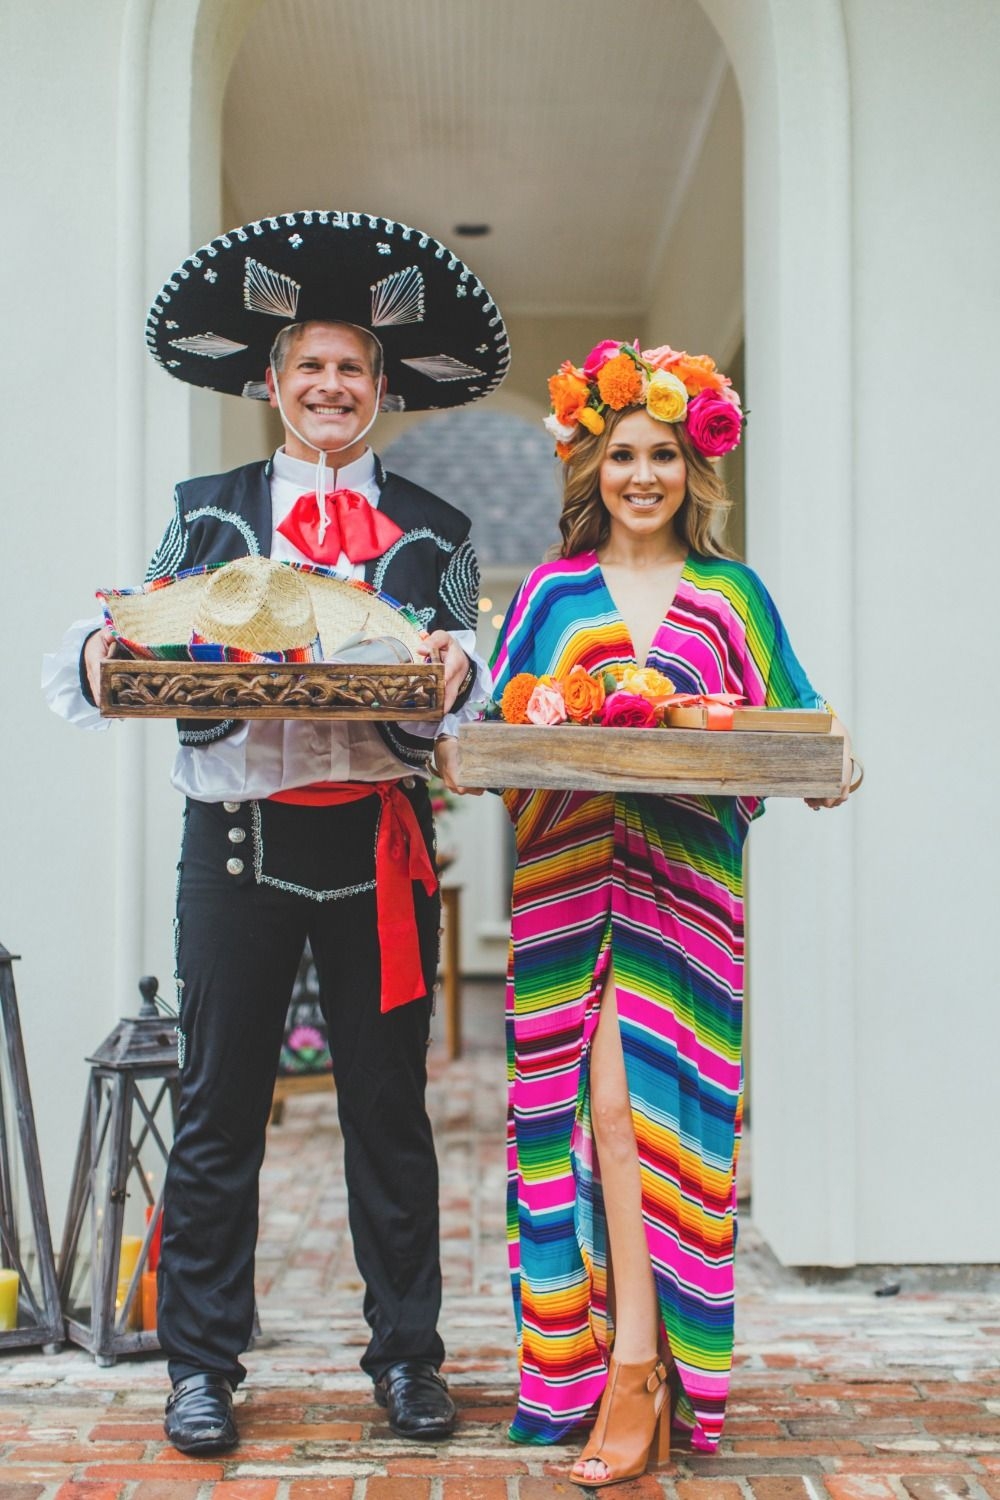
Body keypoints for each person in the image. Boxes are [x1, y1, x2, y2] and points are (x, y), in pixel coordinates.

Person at [43, 211, 509, 1454]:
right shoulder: (206, 511)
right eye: (310, 365)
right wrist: (98, 652)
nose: (330, 385)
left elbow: (468, 671)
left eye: (352, 367)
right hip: (236, 847)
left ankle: (407, 1360)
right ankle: (200, 1367)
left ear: (381, 388)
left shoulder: (437, 527)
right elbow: (136, 629)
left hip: (376, 848)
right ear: (272, 380)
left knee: (389, 1118)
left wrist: (451, 668)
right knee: (216, 1114)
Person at [485, 340, 859, 1488]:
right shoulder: (549, 595)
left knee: (664, 1125)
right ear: (590, 466)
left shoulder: (732, 596)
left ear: (692, 466)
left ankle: (642, 1369)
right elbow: (500, 726)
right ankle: (622, 1369)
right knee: (595, 1115)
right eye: (619, 455)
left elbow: (799, 717)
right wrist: (544, 716)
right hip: (569, 888)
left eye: (659, 455)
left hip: (688, 892)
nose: (639, 476)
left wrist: (832, 765)